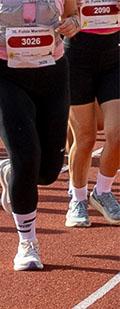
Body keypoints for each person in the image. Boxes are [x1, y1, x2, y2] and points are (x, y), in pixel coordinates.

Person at [0, 0, 80, 271]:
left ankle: (12, 172)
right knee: (26, 157)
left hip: (52, 73)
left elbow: (73, 13)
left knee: (48, 173)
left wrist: (73, 24)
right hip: (4, 74)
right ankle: (27, 242)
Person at [63, 0, 119, 227]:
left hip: (115, 55)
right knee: (85, 138)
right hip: (76, 55)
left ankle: (103, 191)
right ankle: (77, 198)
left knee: (118, 134)